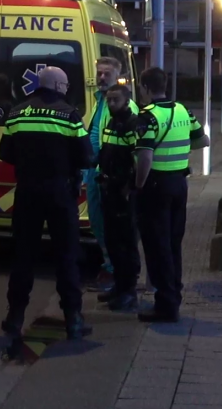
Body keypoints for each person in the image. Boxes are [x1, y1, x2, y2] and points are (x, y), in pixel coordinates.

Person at [0, 64, 97, 342]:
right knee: (66, 256)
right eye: (64, 86)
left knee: (23, 256)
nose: (66, 90)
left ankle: (15, 318)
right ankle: (73, 320)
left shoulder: (17, 112)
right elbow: (87, 156)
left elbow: (4, 152)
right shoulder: (69, 114)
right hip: (59, 192)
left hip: (27, 191)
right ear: (55, 86)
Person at [132, 65, 209, 323]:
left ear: (145, 88)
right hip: (179, 184)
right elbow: (203, 140)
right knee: (174, 244)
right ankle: (174, 294)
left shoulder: (147, 116)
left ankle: (165, 304)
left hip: (155, 187)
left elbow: (144, 156)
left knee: (157, 245)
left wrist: (139, 185)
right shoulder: (182, 110)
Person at [91, 80, 149, 313]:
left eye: (116, 99)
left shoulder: (132, 124)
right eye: (109, 100)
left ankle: (129, 291)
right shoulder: (112, 123)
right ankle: (119, 287)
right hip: (109, 189)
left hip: (123, 192)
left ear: (127, 100)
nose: (112, 103)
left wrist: (129, 187)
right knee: (112, 241)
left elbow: (138, 158)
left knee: (126, 243)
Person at [81, 55, 124, 293]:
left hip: (106, 176)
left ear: (118, 76)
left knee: (109, 227)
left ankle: (112, 271)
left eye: (107, 73)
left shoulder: (120, 104)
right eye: (100, 73)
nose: (102, 77)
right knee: (98, 223)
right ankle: (109, 266)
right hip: (94, 173)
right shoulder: (100, 100)